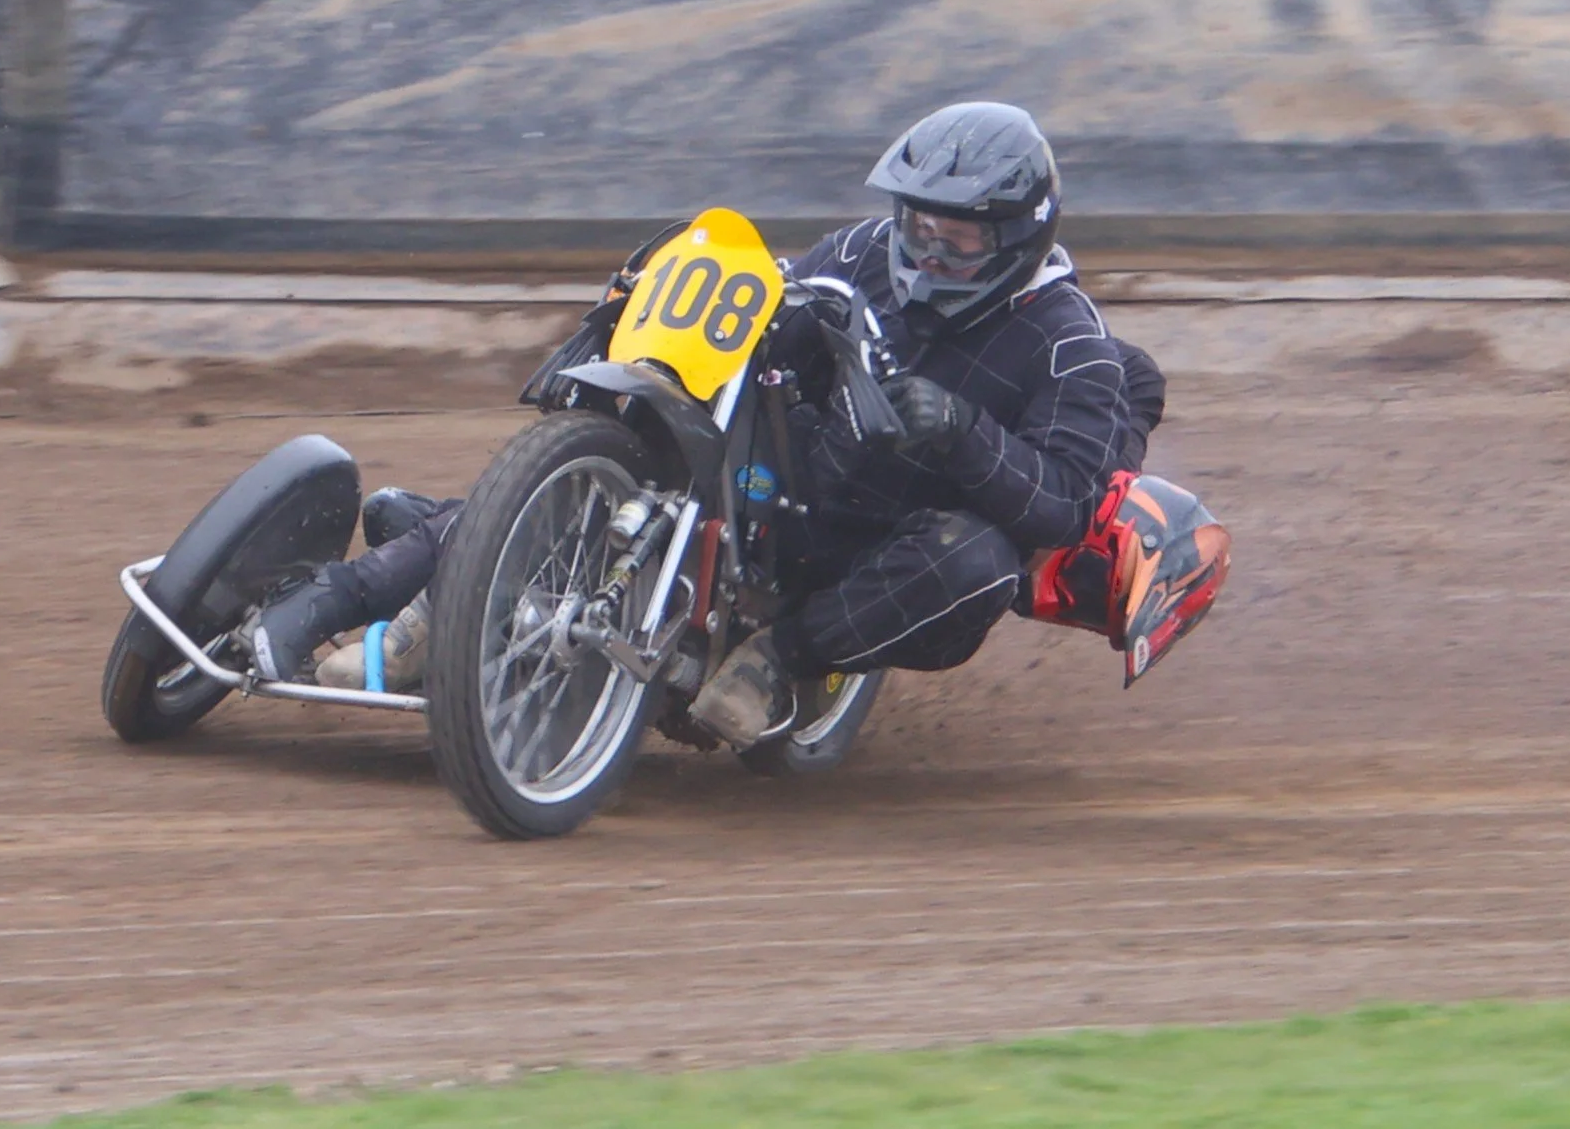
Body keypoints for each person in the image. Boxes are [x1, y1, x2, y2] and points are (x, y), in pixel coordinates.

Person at [242, 102, 1166, 741]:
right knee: (656, 432)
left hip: (881, 553)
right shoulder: (858, 250)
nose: (926, 248)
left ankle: (778, 663)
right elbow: (778, 307)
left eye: (955, 238)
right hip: (785, 487)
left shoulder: (1068, 345)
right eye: (916, 224)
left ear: (1017, 236)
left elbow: (1067, 509)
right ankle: (365, 592)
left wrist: (960, 430)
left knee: (979, 562)